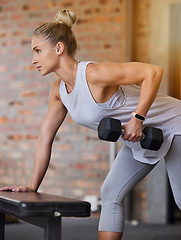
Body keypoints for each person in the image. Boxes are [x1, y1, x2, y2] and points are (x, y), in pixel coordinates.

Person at [0, 9, 181, 240]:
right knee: (110, 192)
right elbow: (44, 137)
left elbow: (153, 72)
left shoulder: (94, 74)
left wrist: (137, 118)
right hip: (143, 138)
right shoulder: (59, 91)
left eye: (37, 51)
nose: (33, 59)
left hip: (174, 123)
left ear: (58, 48)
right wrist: (32, 186)